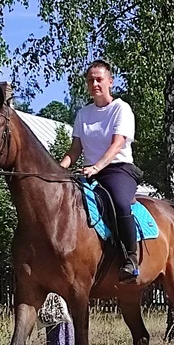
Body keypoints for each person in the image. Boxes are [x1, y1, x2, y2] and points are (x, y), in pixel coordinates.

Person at [60, 60, 142, 281]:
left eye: (99, 79)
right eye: (90, 80)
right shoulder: (83, 114)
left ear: (110, 82)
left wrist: (97, 166)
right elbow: (75, 149)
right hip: (90, 172)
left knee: (119, 201)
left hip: (119, 169)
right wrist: (57, 170)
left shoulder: (121, 109)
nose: (94, 83)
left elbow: (117, 144)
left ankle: (131, 258)